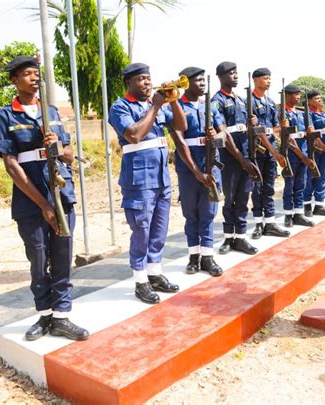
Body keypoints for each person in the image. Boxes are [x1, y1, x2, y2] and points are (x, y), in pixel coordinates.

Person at [0, 56, 89, 341]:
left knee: (62, 254)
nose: (34, 78)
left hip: (61, 192)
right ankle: (44, 315)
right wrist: (43, 205)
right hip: (30, 199)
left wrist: (56, 146)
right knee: (38, 256)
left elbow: (70, 155)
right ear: (15, 80)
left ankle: (61, 317)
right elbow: (11, 165)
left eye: (37, 73)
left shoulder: (52, 111)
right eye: (27, 74)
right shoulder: (6, 115)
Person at [108, 63, 187, 304]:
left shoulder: (156, 106)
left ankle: (155, 273)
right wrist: (155, 105)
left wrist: (173, 100)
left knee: (159, 230)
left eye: (149, 78)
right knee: (141, 230)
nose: (147, 83)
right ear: (129, 83)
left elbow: (181, 126)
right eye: (141, 79)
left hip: (161, 178)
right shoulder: (120, 107)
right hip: (139, 180)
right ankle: (140, 280)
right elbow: (134, 134)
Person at [171, 66, 224, 276]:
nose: (202, 84)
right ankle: (194, 256)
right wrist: (196, 172)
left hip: (212, 165)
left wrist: (216, 137)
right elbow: (179, 141)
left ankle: (208, 257)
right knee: (191, 213)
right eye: (197, 80)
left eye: (203, 80)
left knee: (208, 213)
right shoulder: (176, 107)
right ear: (186, 83)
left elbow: (224, 135)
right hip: (189, 169)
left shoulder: (210, 106)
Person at [212, 61, 261, 255]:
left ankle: (240, 237)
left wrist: (253, 123)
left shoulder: (241, 100)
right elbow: (223, 133)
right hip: (230, 158)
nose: (235, 76)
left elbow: (247, 128)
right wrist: (241, 159)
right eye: (230, 73)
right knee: (230, 198)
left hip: (246, 154)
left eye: (236, 73)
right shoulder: (217, 101)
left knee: (243, 197)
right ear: (221, 77)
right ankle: (228, 237)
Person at [249, 68, 290, 239]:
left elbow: (275, 128)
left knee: (269, 187)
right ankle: (259, 223)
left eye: (270, 78)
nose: (269, 81)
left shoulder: (271, 103)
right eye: (265, 78)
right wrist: (275, 152)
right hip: (257, 150)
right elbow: (257, 131)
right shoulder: (248, 102)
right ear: (256, 80)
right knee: (257, 188)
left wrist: (282, 126)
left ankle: (270, 222)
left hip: (270, 149)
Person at [281, 84, 315, 228]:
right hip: (292, 155)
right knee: (290, 186)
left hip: (304, 153)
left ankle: (298, 213)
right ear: (287, 96)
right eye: (296, 94)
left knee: (300, 185)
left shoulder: (301, 113)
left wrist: (310, 131)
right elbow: (288, 139)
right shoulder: (283, 114)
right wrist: (303, 157)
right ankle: (288, 215)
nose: (299, 97)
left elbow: (310, 132)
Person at [303, 90, 325, 217]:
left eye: (320, 98)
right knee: (311, 176)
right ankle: (307, 205)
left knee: (323, 176)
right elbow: (312, 134)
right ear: (309, 101)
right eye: (316, 98)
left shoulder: (324, 114)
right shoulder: (308, 114)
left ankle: (319, 205)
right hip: (314, 149)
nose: (319, 100)